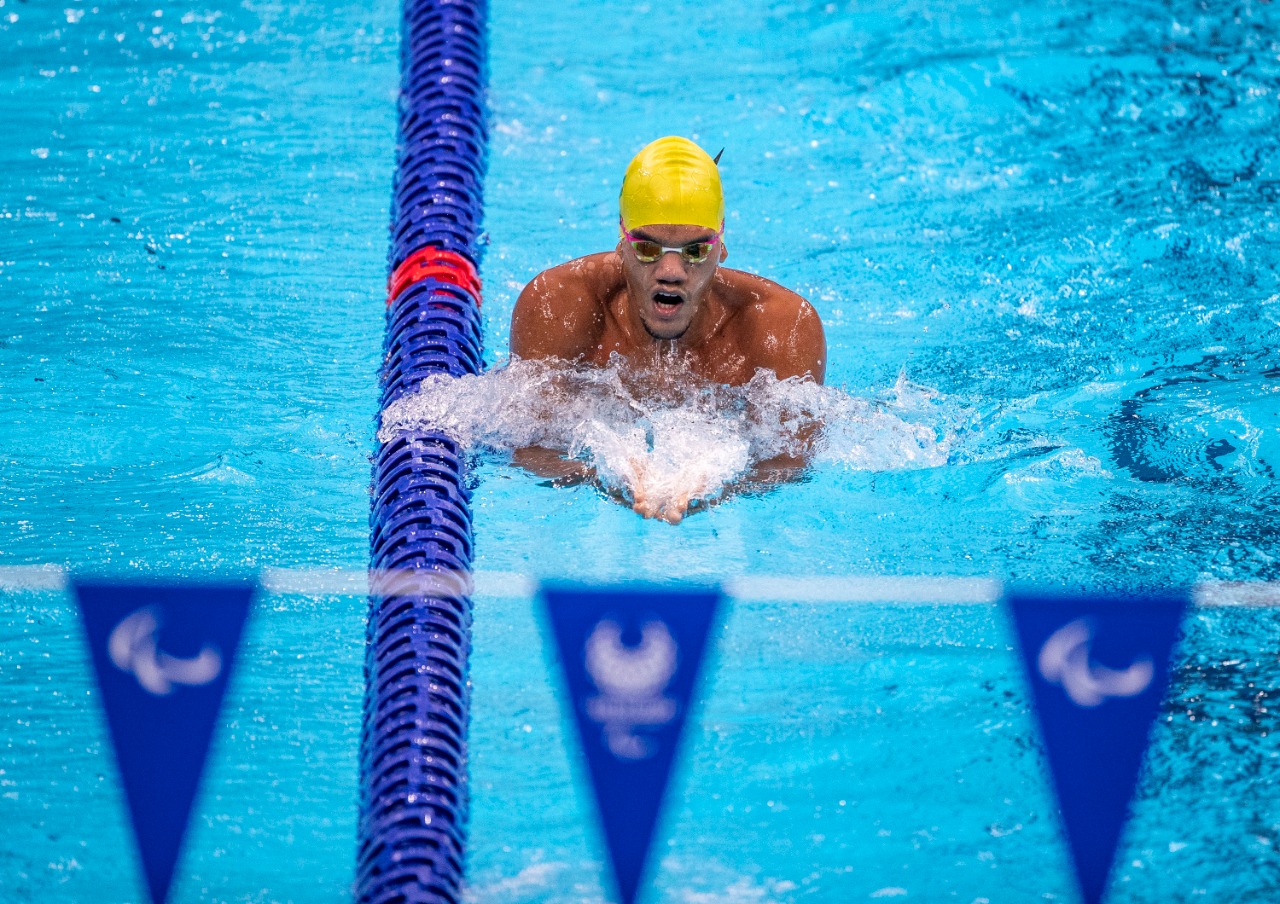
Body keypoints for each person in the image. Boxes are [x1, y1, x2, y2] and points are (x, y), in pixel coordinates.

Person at [509, 136, 827, 521]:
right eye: (647, 248)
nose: (671, 272)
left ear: (721, 248)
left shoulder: (781, 327)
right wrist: (599, 476)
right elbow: (528, 447)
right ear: (621, 243)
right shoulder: (558, 306)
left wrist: (724, 484)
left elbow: (791, 463)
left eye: (696, 251)